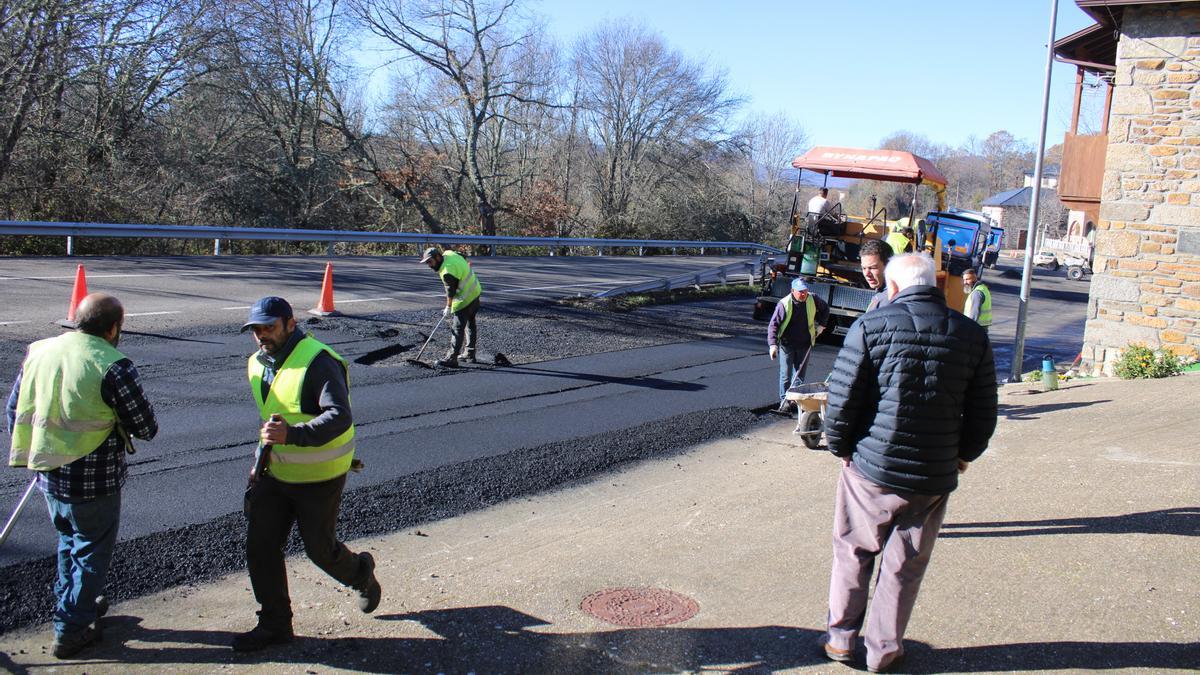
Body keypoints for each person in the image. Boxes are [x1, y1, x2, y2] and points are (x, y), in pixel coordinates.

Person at [820, 254, 997, 673]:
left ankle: (841, 642)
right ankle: (884, 652)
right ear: (934, 285)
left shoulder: (871, 326)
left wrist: (840, 447)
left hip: (871, 469)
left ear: (894, 289)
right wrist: (962, 456)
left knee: (853, 551)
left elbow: (843, 401)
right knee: (904, 566)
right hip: (933, 476)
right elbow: (983, 413)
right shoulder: (971, 336)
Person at [7, 293, 158, 659]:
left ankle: (76, 605)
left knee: (69, 541)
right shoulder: (113, 365)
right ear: (113, 328)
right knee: (91, 550)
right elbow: (145, 426)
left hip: (48, 473)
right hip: (93, 479)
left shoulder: (40, 351)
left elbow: (15, 410)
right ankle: (72, 628)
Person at [236, 296, 381, 652]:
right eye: (255, 329)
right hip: (276, 472)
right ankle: (275, 624)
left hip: (320, 475)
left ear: (290, 322)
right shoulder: (256, 363)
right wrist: (259, 462)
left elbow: (339, 415)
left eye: (268, 327)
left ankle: (361, 574)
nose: (261, 336)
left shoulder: (319, 362)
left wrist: (294, 436)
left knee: (320, 550)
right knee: (260, 546)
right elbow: (273, 417)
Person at [767, 279, 829, 413]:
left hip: (805, 343)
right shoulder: (784, 304)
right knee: (786, 375)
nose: (803, 294)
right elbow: (774, 325)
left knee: (800, 375)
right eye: (800, 292)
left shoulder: (813, 299)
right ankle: (785, 402)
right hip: (787, 344)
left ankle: (795, 401)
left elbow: (825, 309)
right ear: (792, 291)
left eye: (805, 291)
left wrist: (822, 325)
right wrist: (773, 345)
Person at [421, 247, 483, 368]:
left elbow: (450, 292)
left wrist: (448, 307)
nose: (429, 265)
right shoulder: (449, 253)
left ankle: (452, 358)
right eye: (427, 262)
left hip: (465, 299)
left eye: (430, 262)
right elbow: (462, 255)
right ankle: (470, 353)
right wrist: (465, 264)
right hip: (475, 291)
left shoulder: (447, 272)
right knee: (470, 323)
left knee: (457, 328)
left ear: (438, 258)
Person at [859, 238, 893, 312]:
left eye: (873, 268)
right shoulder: (881, 292)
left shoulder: (891, 300)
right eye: (864, 268)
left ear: (888, 266)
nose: (867, 274)